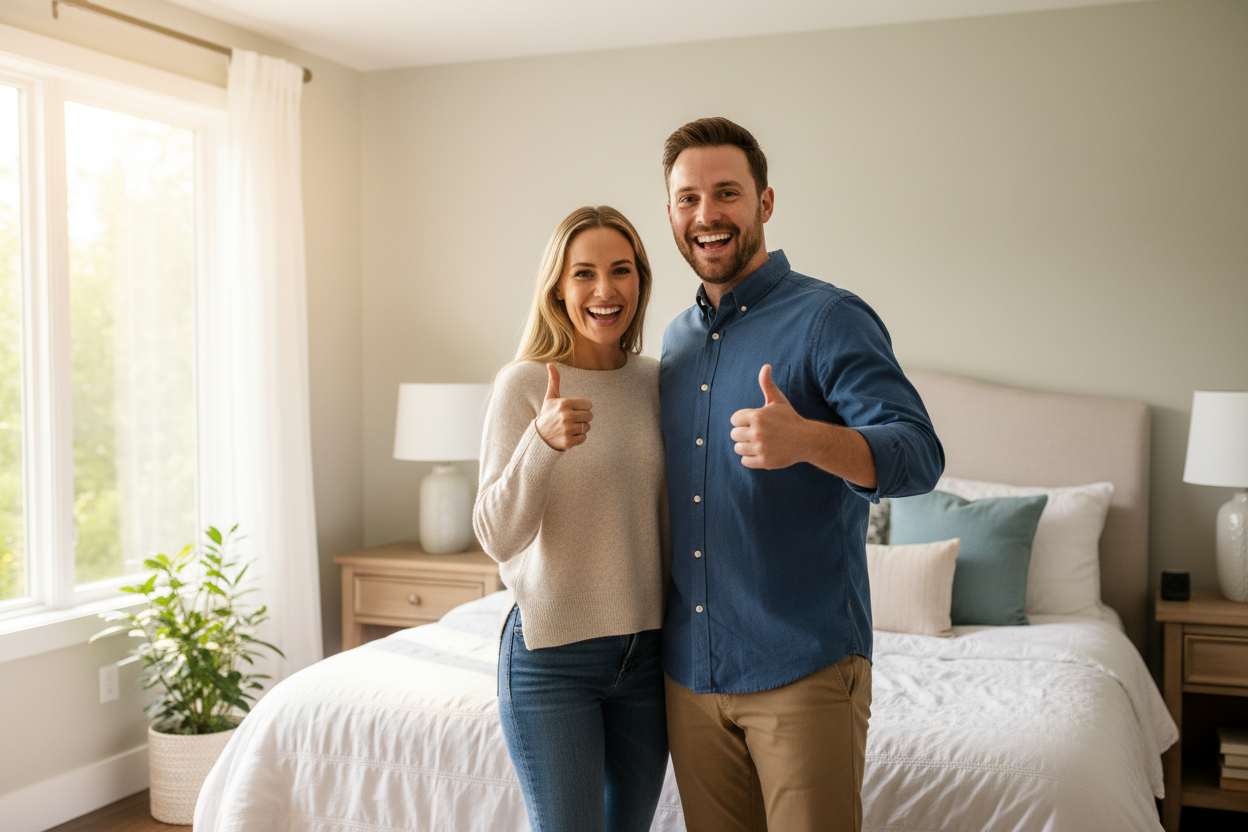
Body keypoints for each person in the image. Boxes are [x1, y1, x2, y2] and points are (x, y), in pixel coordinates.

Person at [658, 117, 945, 832]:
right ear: (670, 214)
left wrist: (810, 440)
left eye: (726, 193)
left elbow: (919, 455)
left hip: (803, 670)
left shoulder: (829, 319)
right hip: (689, 677)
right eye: (687, 198)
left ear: (765, 202)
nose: (707, 215)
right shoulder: (673, 342)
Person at [473, 205, 670, 832]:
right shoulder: (525, 384)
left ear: (640, 280)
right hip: (550, 658)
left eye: (620, 271)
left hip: (648, 656)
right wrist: (542, 443)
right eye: (583, 274)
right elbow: (496, 535)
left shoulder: (659, 383)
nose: (604, 291)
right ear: (558, 286)